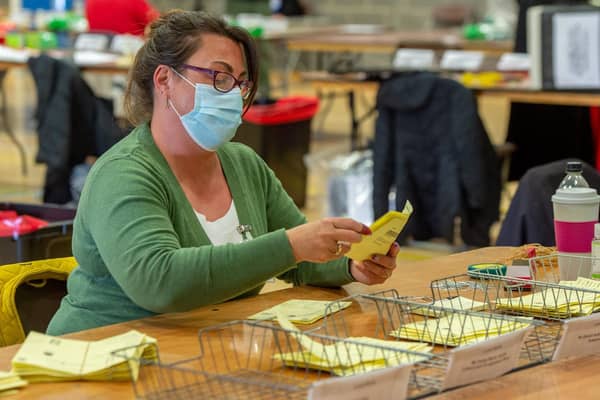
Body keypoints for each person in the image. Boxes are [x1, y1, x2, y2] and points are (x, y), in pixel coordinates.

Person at [46, 10, 399, 335]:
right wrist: (292, 245)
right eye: (219, 77)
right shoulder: (124, 175)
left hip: (200, 349)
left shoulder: (242, 164)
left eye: (241, 82)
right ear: (165, 79)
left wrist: (351, 265)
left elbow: (302, 261)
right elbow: (161, 283)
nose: (233, 94)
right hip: (97, 358)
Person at [85, 0, 160, 36]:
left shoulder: (90, 2)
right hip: (130, 56)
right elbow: (159, 24)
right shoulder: (135, 2)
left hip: (98, 54)